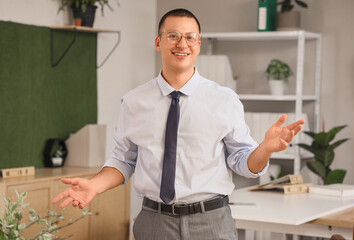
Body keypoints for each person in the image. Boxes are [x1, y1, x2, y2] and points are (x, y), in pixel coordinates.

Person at [52, 8, 305, 240]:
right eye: (173, 35)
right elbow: (123, 160)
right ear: (158, 42)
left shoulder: (224, 99)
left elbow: (243, 161)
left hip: (211, 223)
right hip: (153, 222)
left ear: (199, 43)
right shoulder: (134, 102)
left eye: (190, 37)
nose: (182, 43)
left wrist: (265, 149)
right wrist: (94, 186)